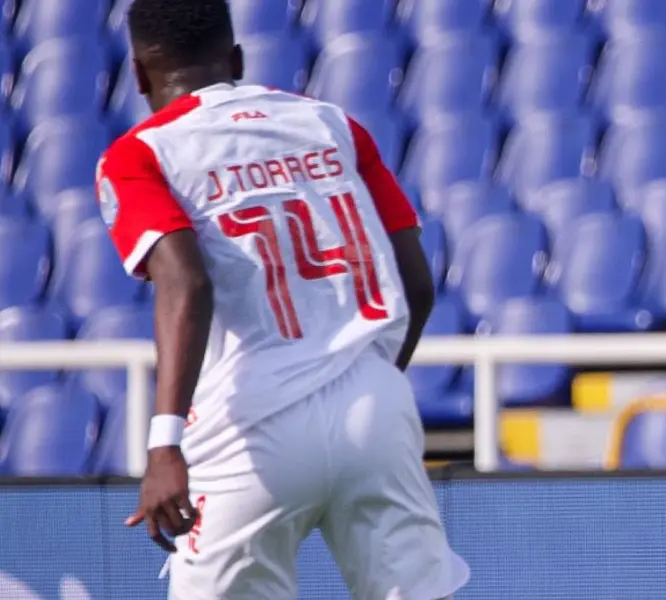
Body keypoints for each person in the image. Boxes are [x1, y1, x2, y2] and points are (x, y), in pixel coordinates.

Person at [95, 1, 469, 598]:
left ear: (138, 74)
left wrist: (164, 444)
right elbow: (417, 284)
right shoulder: (334, 125)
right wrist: (367, 378)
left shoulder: (140, 154)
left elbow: (186, 283)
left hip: (250, 427)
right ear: (237, 60)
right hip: (372, 405)